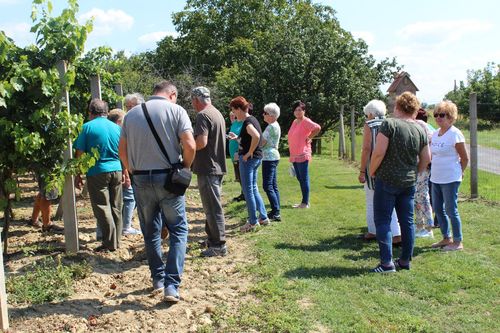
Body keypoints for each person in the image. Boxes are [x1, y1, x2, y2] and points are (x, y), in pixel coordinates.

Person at [119, 81, 195, 302]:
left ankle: (158, 279)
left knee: (150, 231)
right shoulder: (176, 110)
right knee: (178, 230)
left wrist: (130, 168)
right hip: (168, 178)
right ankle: (172, 285)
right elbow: (189, 145)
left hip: (141, 178)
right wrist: (186, 167)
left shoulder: (131, 115)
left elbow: (121, 150)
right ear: (172, 94)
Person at [369, 92, 430, 273]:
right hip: (409, 182)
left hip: (387, 179)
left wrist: (372, 171)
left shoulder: (389, 124)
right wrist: (415, 172)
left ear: (398, 107)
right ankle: (404, 261)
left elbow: (379, 152)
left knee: (383, 221)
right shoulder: (420, 128)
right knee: (407, 222)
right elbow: (426, 158)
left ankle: (386, 263)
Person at [74, 99, 123, 252]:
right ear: (106, 112)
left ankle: (109, 243)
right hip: (117, 169)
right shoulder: (117, 128)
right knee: (116, 206)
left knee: (102, 207)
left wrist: (78, 174)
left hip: (97, 172)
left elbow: (79, 153)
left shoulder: (86, 128)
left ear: (90, 113)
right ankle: (117, 241)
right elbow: (123, 150)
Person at [191, 86, 228, 257]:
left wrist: (187, 147)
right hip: (217, 166)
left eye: (192, 101)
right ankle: (212, 239)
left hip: (208, 167)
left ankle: (219, 245)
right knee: (211, 206)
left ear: (197, 100)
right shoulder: (216, 112)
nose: (192, 105)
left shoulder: (202, 115)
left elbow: (201, 142)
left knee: (212, 208)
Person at [358, 100, 401, 243]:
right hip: (391, 167)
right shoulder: (393, 123)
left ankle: (373, 231)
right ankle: (396, 234)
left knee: (371, 200)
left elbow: (366, 149)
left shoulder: (369, 125)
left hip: (374, 167)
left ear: (370, 113)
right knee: (391, 201)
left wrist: (362, 171)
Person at [430, 101, 469, 251]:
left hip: (450, 178)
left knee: (451, 210)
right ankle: (446, 238)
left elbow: (464, 158)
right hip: (436, 177)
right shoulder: (435, 133)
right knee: (438, 209)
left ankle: (458, 242)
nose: (438, 118)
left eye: (442, 115)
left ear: (451, 117)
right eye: (436, 115)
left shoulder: (455, 134)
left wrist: (460, 172)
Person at [228, 96, 269, 232]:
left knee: (248, 191)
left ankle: (252, 222)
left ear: (239, 109)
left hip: (249, 160)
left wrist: (248, 153)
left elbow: (257, 136)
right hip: (256, 158)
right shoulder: (253, 119)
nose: (233, 113)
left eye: (234, 110)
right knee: (254, 188)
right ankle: (263, 217)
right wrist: (238, 139)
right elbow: (251, 138)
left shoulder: (247, 121)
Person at [108, 107, 142, 236]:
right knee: (129, 198)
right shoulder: (118, 132)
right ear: (118, 121)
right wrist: (126, 174)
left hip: (106, 170)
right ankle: (125, 227)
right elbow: (121, 154)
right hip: (119, 170)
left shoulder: (106, 131)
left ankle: (111, 228)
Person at [287, 100, 321, 209]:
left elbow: (317, 128)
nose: (297, 112)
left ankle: (305, 203)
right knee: (300, 178)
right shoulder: (294, 121)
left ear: (304, 111)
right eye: (296, 110)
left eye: (300, 110)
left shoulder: (305, 121)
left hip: (303, 153)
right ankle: (304, 201)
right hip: (295, 154)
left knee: (304, 178)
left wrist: (310, 137)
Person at [414, 108, 435, 238]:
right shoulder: (426, 126)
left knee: (422, 196)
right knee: (418, 196)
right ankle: (420, 226)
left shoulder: (420, 125)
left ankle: (428, 227)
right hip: (423, 166)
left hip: (421, 166)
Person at [261, 102, 282, 221]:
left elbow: (262, 142)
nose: (263, 115)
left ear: (272, 115)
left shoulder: (271, 127)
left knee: (267, 185)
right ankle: (276, 210)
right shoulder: (275, 125)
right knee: (273, 185)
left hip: (269, 157)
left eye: (265, 113)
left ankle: (276, 212)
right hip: (273, 156)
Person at [228, 111, 245, 202]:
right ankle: (243, 193)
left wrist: (236, 137)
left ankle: (245, 194)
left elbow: (244, 138)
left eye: (233, 116)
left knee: (242, 174)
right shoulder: (234, 124)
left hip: (239, 152)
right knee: (238, 175)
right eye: (230, 116)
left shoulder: (243, 123)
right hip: (233, 153)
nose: (232, 117)